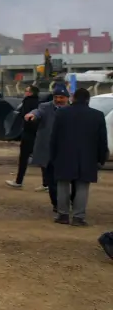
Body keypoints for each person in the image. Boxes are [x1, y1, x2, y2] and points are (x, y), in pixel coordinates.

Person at [48, 87, 109, 227]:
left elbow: (54, 137)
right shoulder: (97, 115)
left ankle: (63, 215)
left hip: (64, 155)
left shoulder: (62, 113)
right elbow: (102, 140)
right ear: (88, 100)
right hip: (88, 156)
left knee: (63, 185)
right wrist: (101, 158)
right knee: (82, 186)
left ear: (73, 98)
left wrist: (53, 155)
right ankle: (78, 217)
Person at [25, 84, 71, 217]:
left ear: (67, 98)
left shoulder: (72, 110)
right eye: (56, 97)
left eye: (61, 97)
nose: (58, 100)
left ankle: (69, 202)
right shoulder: (45, 107)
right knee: (52, 180)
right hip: (49, 151)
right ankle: (57, 204)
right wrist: (32, 115)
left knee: (69, 180)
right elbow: (37, 112)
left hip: (67, 151)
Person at [6, 85, 41, 188]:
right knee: (42, 158)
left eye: (26, 91)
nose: (25, 92)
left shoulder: (27, 102)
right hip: (39, 133)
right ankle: (46, 183)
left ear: (30, 93)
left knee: (23, 158)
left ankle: (19, 181)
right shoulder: (40, 103)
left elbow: (25, 116)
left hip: (29, 133)